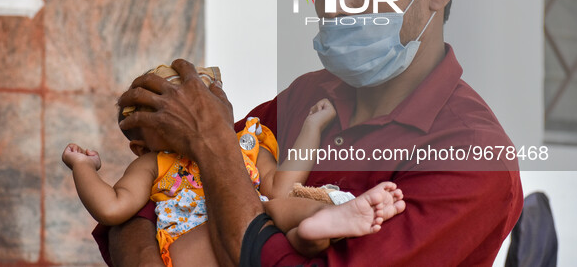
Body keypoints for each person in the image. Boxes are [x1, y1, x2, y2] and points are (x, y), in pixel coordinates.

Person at [98, 0, 523, 266]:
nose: (333, 6)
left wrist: (211, 140)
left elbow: (213, 164)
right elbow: (145, 203)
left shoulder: (473, 158)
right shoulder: (309, 96)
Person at [64, 65, 405, 266]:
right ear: (142, 145)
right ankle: (311, 231)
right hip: (189, 247)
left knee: (280, 206)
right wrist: (83, 166)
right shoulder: (157, 164)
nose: (192, 110)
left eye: (198, 99)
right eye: (169, 113)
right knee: (257, 218)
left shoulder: (247, 143)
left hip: (254, 228)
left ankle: (315, 229)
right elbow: (113, 209)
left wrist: (310, 130)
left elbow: (279, 188)